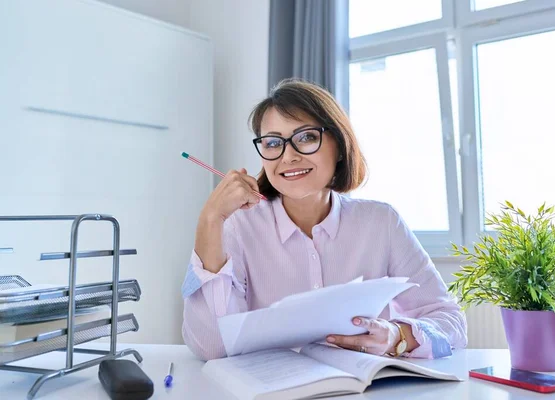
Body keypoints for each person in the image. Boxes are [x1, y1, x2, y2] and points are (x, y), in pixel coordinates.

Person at [181, 79, 467, 361]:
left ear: (340, 145)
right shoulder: (238, 227)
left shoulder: (381, 223)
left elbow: (450, 321)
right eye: (272, 143)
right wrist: (210, 221)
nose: (288, 156)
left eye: (306, 137)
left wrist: (398, 336)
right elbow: (212, 348)